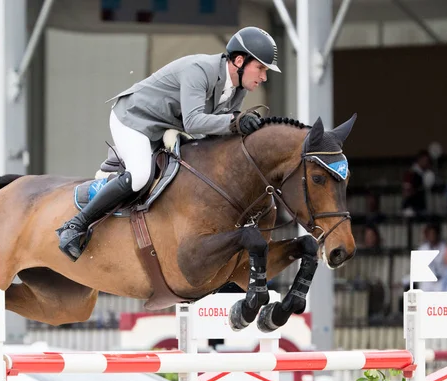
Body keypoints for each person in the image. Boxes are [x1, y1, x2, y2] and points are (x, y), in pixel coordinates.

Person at [56, 26, 281, 261]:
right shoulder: (200, 70)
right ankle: (74, 226)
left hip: (164, 128)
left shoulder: (237, 89)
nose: (264, 77)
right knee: (141, 175)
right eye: (261, 68)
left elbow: (218, 131)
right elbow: (194, 122)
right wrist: (236, 122)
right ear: (238, 61)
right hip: (134, 119)